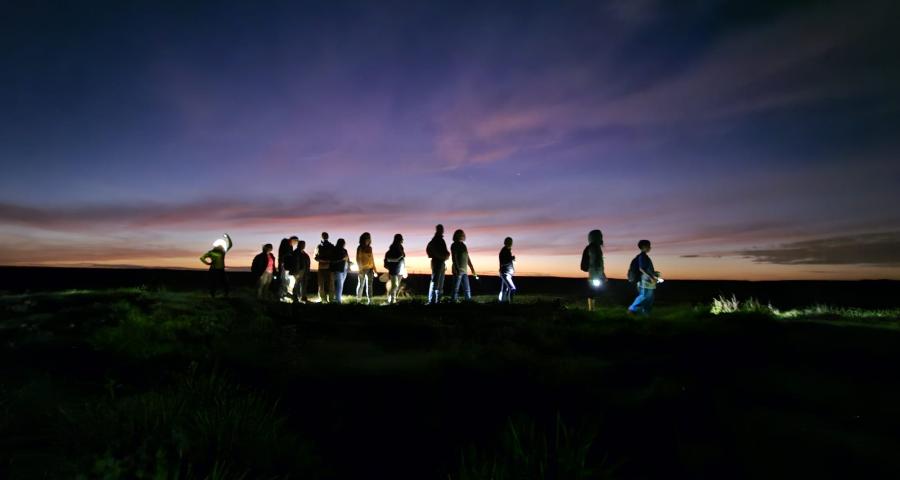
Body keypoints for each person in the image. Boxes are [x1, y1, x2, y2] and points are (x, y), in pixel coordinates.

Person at [628, 239, 659, 316]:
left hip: (647, 280)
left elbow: (645, 269)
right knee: (644, 296)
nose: (650, 247)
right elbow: (641, 268)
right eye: (648, 246)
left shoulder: (644, 256)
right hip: (645, 280)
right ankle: (632, 309)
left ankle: (646, 313)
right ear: (644, 247)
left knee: (650, 298)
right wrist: (651, 277)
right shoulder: (643, 256)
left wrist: (654, 274)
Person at [580, 229, 608, 311]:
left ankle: (592, 309)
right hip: (594, 274)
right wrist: (599, 275)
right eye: (600, 236)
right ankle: (591, 310)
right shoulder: (593, 247)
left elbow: (598, 263)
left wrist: (603, 274)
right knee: (592, 291)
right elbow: (595, 262)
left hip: (595, 273)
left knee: (594, 291)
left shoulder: (595, 247)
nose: (601, 238)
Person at [199, 233, 232, 297]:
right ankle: (217, 295)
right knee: (219, 282)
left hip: (217, 270)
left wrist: (207, 263)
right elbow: (202, 258)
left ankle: (219, 295)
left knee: (217, 282)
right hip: (216, 270)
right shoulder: (219, 252)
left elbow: (202, 258)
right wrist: (227, 237)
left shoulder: (214, 252)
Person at [450, 229, 478, 302]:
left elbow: (467, 257)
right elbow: (454, 257)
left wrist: (472, 268)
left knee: (467, 288)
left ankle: (468, 301)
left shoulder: (464, 245)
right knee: (456, 288)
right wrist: (457, 268)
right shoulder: (454, 245)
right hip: (458, 270)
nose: (463, 236)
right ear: (458, 235)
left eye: (463, 234)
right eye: (461, 234)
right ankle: (453, 301)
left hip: (464, 271)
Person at [426, 224, 450, 304]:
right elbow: (429, 248)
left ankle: (437, 300)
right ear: (438, 230)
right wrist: (439, 256)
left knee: (440, 281)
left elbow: (445, 251)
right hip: (437, 262)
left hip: (441, 262)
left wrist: (446, 255)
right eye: (441, 229)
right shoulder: (436, 240)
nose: (442, 230)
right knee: (435, 281)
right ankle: (432, 301)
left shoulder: (440, 240)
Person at [282, 236, 308, 303]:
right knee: (297, 284)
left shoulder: (303, 253)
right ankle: (295, 297)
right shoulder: (296, 252)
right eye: (302, 245)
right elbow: (295, 262)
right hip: (297, 271)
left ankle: (302, 297)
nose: (303, 246)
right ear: (299, 245)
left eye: (304, 245)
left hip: (303, 270)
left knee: (302, 284)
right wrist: (296, 271)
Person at [356, 232, 377, 304]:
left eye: (369, 238)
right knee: (361, 284)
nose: (368, 240)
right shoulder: (360, 247)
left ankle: (370, 301)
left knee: (370, 285)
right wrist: (360, 269)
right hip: (362, 269)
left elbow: (372, 259)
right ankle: (358, 301)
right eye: (366, 238)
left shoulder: (370, 248)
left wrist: (375, 269)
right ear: (363, 239)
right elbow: (358, 259)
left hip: (370, 269)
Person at [384, 234, 405, 304]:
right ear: (398, 239)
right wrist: (398, 259)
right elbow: (389, 259)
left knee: (396, 286)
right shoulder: (392, 248)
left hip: (400, 269)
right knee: (394, 286)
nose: (402, 240)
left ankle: (393, 300)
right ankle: (389, 299)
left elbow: (403, 257)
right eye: (401, 239)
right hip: (394, 269)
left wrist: (404, 268)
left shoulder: (401, 247)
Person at [314, 232, 335, 303]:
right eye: (324, 236)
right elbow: (315, 257)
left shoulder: (331, 246)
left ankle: (331, 299)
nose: (325, 237)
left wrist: (329, 261)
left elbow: (334, 256)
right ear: (322, 237)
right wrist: (322, 260)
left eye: (326, 235)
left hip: (330, 268)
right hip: (321, 268)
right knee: (321, 284)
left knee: (330, 284)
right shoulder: (319, 246)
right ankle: (323, 298)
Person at [332, 238, 350, 303]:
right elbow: (333, 260)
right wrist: (342, 259)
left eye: (344, 243)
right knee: (339, 284)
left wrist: (349, 265)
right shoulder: (335, 250)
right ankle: (338, 300)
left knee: (341, 284)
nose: (344, 244)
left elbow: (347, 258)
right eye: (343, 243)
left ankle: (337, 297)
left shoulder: (345, 250)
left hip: (344, 269)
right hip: (338, 269)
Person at [498, 237, 516, 303]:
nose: (511, 243)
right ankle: (510, 304)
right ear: (505, 243)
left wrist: (511, 260)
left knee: (504, 290)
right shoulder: (504, 251)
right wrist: (511, 259)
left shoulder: (508, 251)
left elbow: (506, 261)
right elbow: (503, 263)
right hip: (505, 273)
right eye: (509, 242)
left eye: (511, 242)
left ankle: (501, 303)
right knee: (512, 288)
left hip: (506, 273)